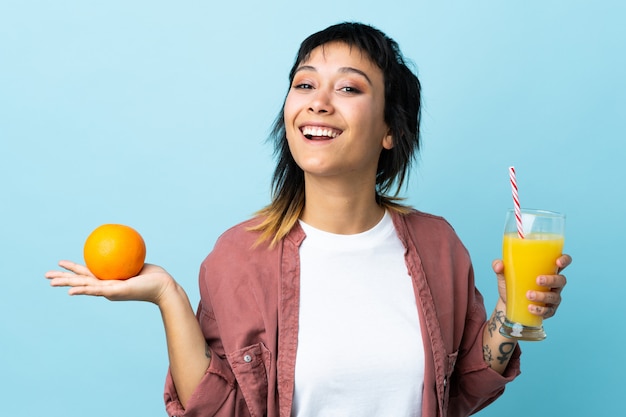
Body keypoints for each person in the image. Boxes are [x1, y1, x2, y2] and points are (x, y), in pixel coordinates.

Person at [46, 22, 571, 417]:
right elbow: (215, 409)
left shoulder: (438, 246)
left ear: (390, 129)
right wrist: (167, 295)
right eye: (304, 85)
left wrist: (509, 315)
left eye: (348, 88)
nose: (317, 103)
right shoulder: (237, 256)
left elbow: (464, 390)